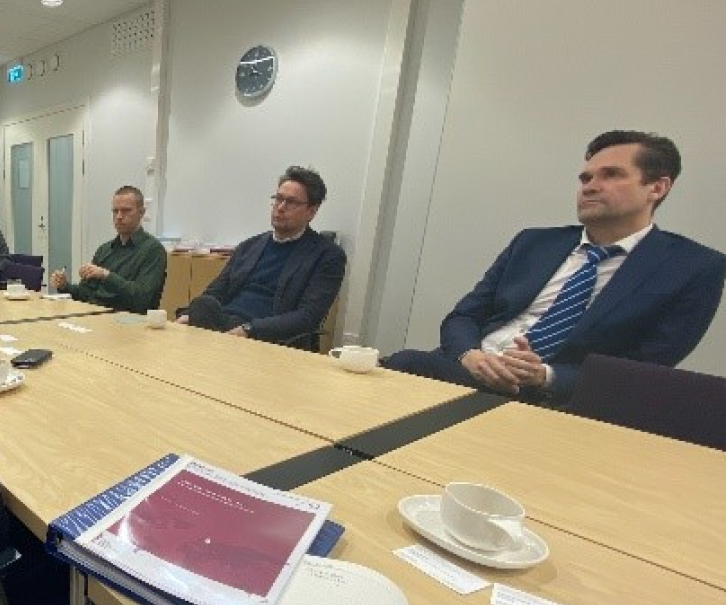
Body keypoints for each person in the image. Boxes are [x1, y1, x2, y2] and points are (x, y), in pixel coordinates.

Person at [384, 130, 725, 402]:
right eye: (585, 178)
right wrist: (470, 356)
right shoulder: (534, 243)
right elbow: (463, 317)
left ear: (657, 187)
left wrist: (545, 375)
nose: (590, 186)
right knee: (390, 367)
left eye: (611, 175)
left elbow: (645, 372)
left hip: (552, 399)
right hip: (467, 368)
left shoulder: (693, 268)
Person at [178, 166, 346, 345]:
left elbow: (307, 317)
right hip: (224, 325)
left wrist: (249, 330)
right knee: (202, 305)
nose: (280, 208)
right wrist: (187, 315)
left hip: (267, 336)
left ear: (311, 212)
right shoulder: (249, 247)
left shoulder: (327, 256)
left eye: (291, 202)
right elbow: (215, 291)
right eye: (278, 199)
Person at [50, 185, 166, 313]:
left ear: (141, 213)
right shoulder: (105, 250)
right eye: (115, 211)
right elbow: (86, 294)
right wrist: (65, 286)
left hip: (128, 321)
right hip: (95, 316)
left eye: (126, 210)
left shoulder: (153, 250)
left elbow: (141, 298)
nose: (119, 217)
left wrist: (106, 276)